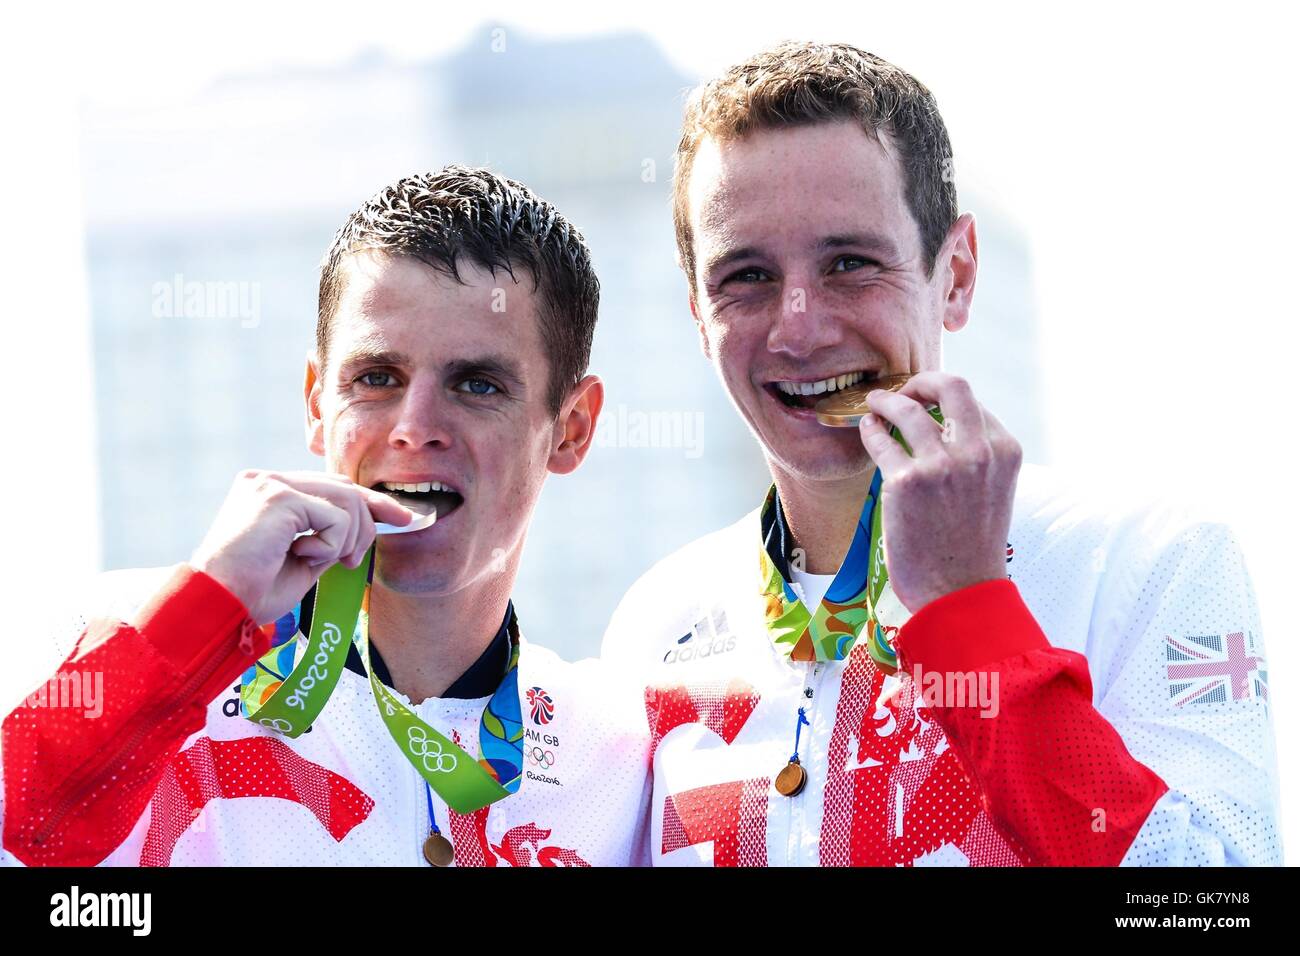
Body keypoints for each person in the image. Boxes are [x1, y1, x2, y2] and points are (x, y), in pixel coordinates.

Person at [600, 42, 1281, 866]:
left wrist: (969, 612)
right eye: (746, 276)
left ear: (955, 276)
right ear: (698, 315)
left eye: (850, 263)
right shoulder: (656, 621)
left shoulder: (1150, 559)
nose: (799, 328)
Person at [1, 167, 651, 867]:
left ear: (573, 428)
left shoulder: (620, 751)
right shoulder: (126, 650)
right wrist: (202, 616)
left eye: (477, 384)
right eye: (377, 378)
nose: (415, 427)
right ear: (317, 403)